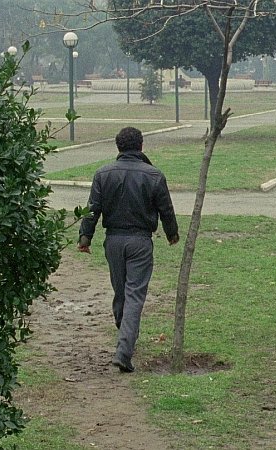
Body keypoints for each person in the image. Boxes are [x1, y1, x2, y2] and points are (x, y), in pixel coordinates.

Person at [78, 127, 179, 373]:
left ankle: (124, 333)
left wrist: (85, 237)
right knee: (134, 295)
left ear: (118, 147)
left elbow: (92, 208)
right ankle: (124, 349)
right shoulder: (154, 175)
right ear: (141, 146)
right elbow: (166, 209)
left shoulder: (103, 174)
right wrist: (172, 234)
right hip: (140, 242)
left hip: (113, 241)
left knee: (121, 291)